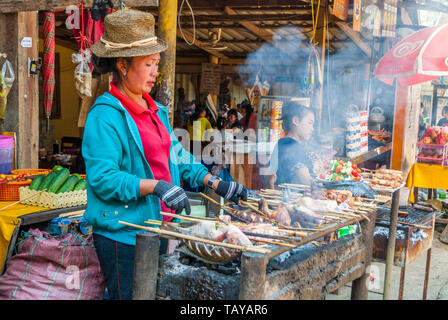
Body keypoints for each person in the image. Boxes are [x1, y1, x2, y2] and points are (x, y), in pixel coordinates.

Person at [82, 9, 248, 300]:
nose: (155, 72)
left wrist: (214, 182)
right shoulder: (104, 116)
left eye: (156, 63)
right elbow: (103, 179)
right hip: (122, 235)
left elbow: (177, 156)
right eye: (149, 64)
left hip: (157, 228)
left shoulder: (154, 110)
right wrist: (156, 186)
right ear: (122, 65)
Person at [269, 102, 322, 186]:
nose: (312, 129)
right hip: (292, 197)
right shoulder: (292, 145)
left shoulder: (282, 142)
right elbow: (306, 181)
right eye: (309, 123)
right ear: (296, 121)